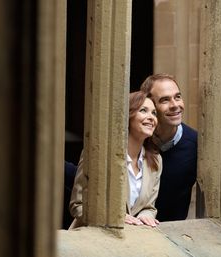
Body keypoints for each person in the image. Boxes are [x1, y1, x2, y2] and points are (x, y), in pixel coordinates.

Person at [140, 73, 221, 226]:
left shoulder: (197, 144)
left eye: (177, 97)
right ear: (150, 105)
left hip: (173, 234)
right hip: (135, 230)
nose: (175, 105)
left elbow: (213, 185)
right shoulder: (136, 140)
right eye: (165, 100)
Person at [69, 91, 162, 228]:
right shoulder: (99, 153)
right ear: (127, 116)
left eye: (154, 113)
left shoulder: (155, 160)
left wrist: (145, 216)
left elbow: (149, 207)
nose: (151, 117)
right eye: (143, 111)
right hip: (93, 238)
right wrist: (113, 217)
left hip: (131, 240)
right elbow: (77, 205)